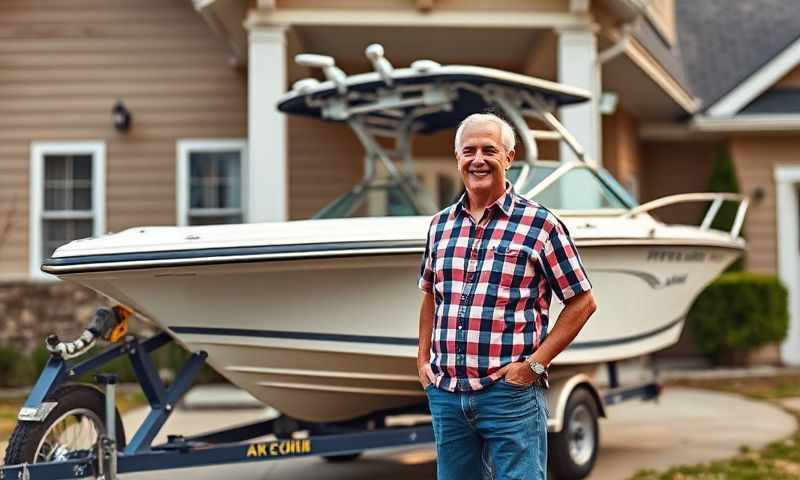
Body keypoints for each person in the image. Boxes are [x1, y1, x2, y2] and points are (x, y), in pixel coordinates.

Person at [416, 112, 597, 480]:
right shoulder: (440, 226)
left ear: (509, 158)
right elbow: (431, 296)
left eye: (489, 150)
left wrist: (533, 367)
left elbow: (582, 302)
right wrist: (423, 364)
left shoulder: (541, 225)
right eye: (469, 151)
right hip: (448, 395)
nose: (478, 159)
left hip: (509, 396)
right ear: (458, 159)